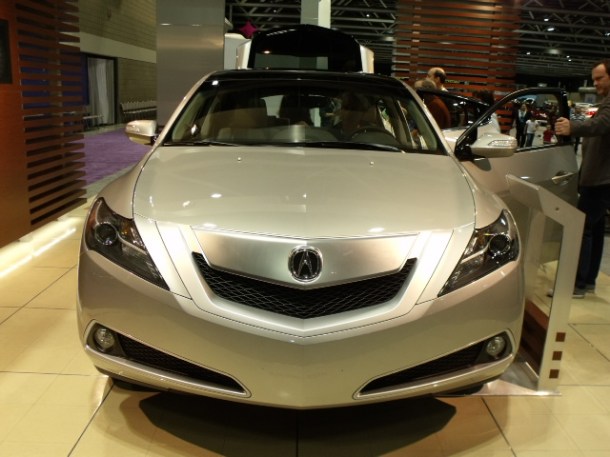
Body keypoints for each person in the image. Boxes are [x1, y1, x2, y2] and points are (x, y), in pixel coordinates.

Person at [554, 59, 610, 298]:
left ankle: (575, 284)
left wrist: (572, 127)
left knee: (581, 229)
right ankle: (587, 282)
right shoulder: (605, 102)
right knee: (594, 231)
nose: (595, 83)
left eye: (599, 78)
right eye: (594, 78)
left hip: (600, 180)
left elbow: (601, 124)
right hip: (598, 178)